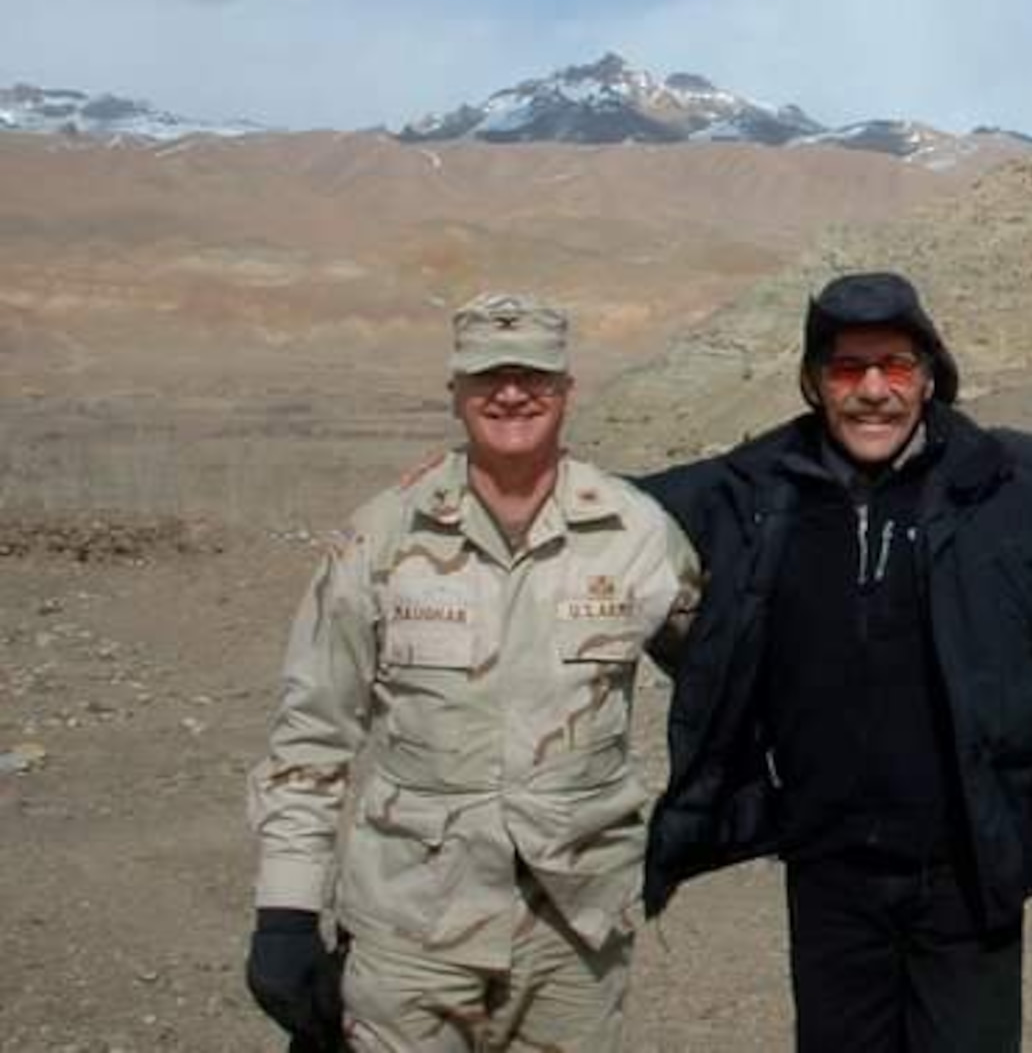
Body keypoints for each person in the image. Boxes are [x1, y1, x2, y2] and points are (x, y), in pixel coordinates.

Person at [636, 270, 1032, 1053]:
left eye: (896, 367)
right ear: (813, 382)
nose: (873, 391)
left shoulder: (1013, 480)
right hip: (829, 873)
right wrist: (465, 478)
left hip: (969, 876)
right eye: (847, 369)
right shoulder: (758, 488)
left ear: (930, 375)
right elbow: (600, 507)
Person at [246, 293, 701, 1052]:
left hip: (574, 932)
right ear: (455, 390)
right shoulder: (382, 537)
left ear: (567, 389)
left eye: (535, 375)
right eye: (489, 375)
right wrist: (285, 912)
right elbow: (312, 733)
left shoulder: (636, 534)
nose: (512, 393)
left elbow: (723, 679)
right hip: (413, 928)